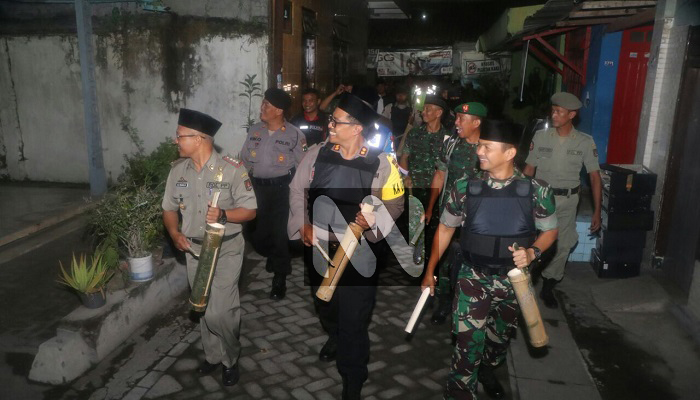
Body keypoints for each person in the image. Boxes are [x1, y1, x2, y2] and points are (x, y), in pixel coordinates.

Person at [422, 119, 558, 400]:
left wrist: (533, 252)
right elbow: (445, 229)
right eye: (480, 145)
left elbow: (550, 230)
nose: (479, 151)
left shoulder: (537, 191)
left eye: (487, 147)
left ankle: (488, 366)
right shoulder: (464, 188)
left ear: (509, 153)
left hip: (514, 283)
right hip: (473, 277)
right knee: (466, 345)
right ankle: (461, 389)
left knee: (498, 341)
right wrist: (430, 270)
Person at [288, 93, 404, 399]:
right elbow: (298, 189)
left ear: (356, 128)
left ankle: (353, 375)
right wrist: (303, 223)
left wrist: (372, 223)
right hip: (319, 247)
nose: (330, 126)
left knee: (354, 317)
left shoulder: (381, 163)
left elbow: (395, 206)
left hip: (359, 252)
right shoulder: (317, 154)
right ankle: (334, 334)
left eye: (335, 121)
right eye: (331, 120)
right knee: (325, 305)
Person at [162, 109, 257, 387]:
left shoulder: (232, 169)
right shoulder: (178, 171)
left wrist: (225, 215)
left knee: (221, 311)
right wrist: (174, 232)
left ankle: (230, 358)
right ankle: (213, 356)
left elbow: (250, 210)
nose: (176, 140)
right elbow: (168, 208)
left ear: (200, 138)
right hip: (193, 250)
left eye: (180, 136)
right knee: (202, 307)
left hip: (226, 248)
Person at [523, 92, 602, 308]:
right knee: (533, 240)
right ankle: (526, 278)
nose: (553, 115)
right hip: (540, 199)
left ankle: (549, 285)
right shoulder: (541, 137)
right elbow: (529, 169)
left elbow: (595, 177)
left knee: (563, 243)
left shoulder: (585, 142)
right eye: (553, 110)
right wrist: (518, 197)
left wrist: (597, 211)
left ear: (571, 115)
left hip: (568, 201)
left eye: (559, 112)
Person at [241, 88, 307, 300]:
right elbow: (244, 160)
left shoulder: (295, 135)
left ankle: (280, 276)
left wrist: (303, 194)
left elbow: (303, 165)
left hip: (282, 189)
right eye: (263, 103)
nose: (262, 107)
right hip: (257, 189)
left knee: (279, 233)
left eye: (267, 105)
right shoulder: (254, 131)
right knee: (258, 233)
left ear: (278, 110)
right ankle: (273, 253)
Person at [425, 102, 486, 324]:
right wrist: (431, 207)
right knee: (444, 258)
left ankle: (469, 300)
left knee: (471, 259)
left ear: (476, 122)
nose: (456, 123)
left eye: (461, 119)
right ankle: (443, 301)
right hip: (450, 213)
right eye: (457, 118)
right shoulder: (450, 145)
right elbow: (439, 175)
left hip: (478, 217)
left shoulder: (488, 149)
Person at [399, 95, 449, 255]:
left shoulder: (448, 138)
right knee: (415, 230)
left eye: (428, 109)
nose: (423, 112)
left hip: (438, 193)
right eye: (424, 108)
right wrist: (405, 176)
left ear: (439, 112)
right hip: (416, 191)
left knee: (435, 233)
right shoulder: (414, 134)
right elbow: (404, 158)